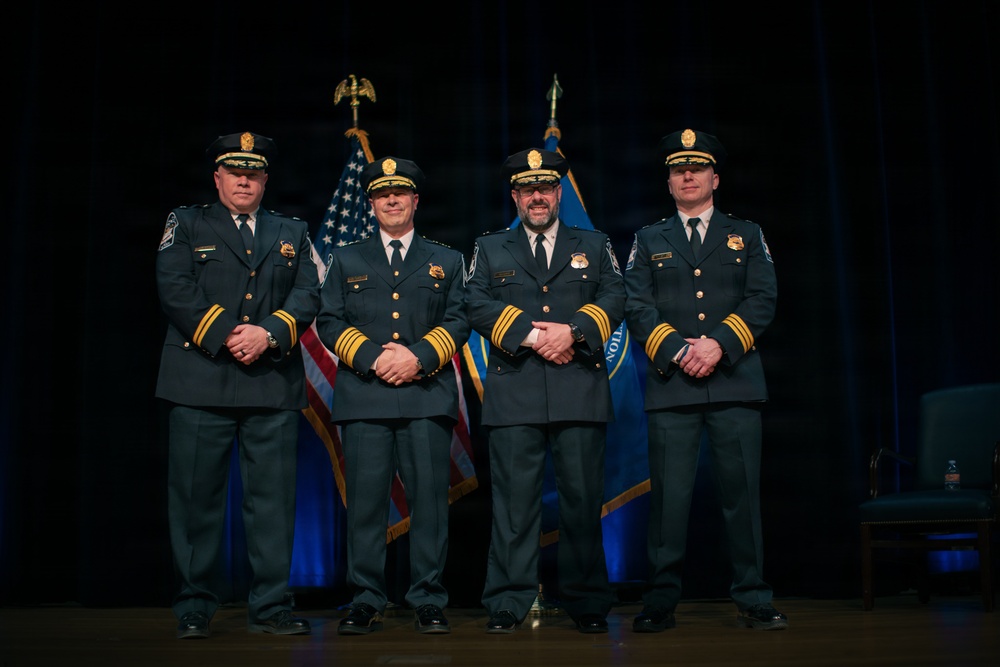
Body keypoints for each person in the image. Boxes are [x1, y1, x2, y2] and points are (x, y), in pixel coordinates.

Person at [155, 131, 319, 639]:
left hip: (270, 382)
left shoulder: (293, 230)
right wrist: (227, 334)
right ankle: (194, 606)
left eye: (254, 172)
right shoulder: (185, 223)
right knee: (195, 500)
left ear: (265, 179)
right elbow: (174, 287)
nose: (244, 179)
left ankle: (271, 606)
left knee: (272, 502)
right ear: (218, 178)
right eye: (235, 171)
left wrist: (269, 333)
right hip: (200, 380)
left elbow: (310, 292)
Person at [623, 128, 785, 631]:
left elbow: (762, 298)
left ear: (715, 177)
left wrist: (719, 344)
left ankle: (754, 596)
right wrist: (676, 349)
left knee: (742, 498)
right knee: (669, 501)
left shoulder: (748, 234)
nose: (687, 175)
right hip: (673, 386)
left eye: (696, 168)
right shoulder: (649, 239)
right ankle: (660, 600)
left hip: (735, 381)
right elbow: (636, 304)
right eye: (677, 169)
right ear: (669, 182)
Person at [466, 148, 625, 634]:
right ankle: (508, 603)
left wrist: (572, 333)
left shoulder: (594, 244)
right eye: (526, 189)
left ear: (558, 193)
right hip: (515, 391)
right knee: (514, 506)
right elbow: (473, 301)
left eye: (545, 187)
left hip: (579, 387)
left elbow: (617, 296)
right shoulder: (491, 248)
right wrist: (535, 336)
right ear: (515, 195)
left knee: (581, 502)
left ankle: (588, 602)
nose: (537, 196)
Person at [315, 157, 469, 636]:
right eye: (383, 195)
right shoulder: (347, 258)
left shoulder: (447, 260)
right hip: (365, 393)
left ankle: (427, 598)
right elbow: (328, 320)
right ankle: (365, 598)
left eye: (400, 194)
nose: (392, 201)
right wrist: (371, 357)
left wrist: (417, 357)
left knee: (429, 504)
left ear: (415, 200)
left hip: (426, 394)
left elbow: (459, 320)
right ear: (372, 203)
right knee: (364, 504)